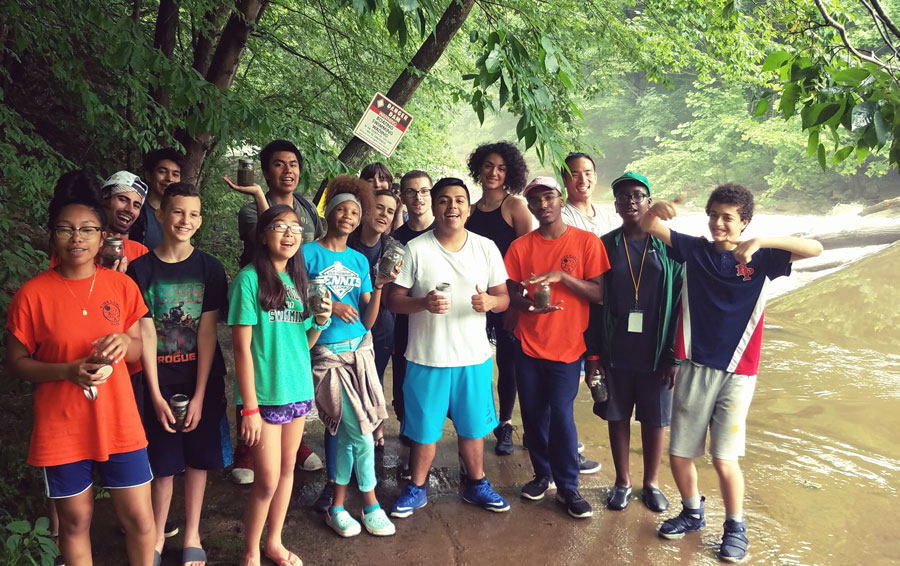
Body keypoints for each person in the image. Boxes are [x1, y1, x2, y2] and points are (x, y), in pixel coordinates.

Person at [645, 183, 822, 562]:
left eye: (728, 217)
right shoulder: (695, 250)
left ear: (744, 222)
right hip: (694, 367)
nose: (718, 223)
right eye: (713, 215)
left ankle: (735, 526)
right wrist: (657, 208)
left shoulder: (764, 260)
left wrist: (762, 241)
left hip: (739, 372)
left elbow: (816, 249)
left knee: (725, 458)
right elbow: (649, 225)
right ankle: (692, 513)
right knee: (679, 454)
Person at [6, 171, 155, 565]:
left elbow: (140, 346)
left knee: (141, 520)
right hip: (61, 424)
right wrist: (66, 371)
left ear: (102, 235)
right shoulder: (32, 294)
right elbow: (17, 362)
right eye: (66, 229)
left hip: (120, 421)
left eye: (87, 229)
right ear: (52, 234)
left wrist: (126, 341)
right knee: (75, 522)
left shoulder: (122, 286)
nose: (77, 238)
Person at [388, 177, 511, 518]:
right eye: (443, 200)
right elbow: (393, 301)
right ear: (434, 206)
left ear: (469, 210)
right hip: (426, 357)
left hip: (473, 357)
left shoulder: (485, 248)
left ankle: (476, 484)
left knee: (473, 428)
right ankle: (416, 487)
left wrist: (490, 301)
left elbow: (504, 298)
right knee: (424, 431)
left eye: (459, 200)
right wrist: (422, 303)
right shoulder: (416, 249)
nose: (451, 207)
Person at [127, 182, 232, 566]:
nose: (185, 220)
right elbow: (147, 332)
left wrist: (201, 394)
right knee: (163, 462)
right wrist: (154, 395)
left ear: (201, 219)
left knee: (198, 459)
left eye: (193, 214)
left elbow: (207, 331)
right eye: (177, 212)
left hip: (200, 379)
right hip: (158, 381)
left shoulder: (210, 268)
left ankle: (192, 533)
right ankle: (156, 538)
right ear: (160, 214)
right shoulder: (140, 270)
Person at [229, 204, 332, 566]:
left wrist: (320, 321)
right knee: (267, 479)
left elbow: (302, 343)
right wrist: (250, 408)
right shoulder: (249, 280)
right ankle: (249, 553)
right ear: (262, 235)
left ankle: (274, 542)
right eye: (279, 226)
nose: (289, 234)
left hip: (298, 390)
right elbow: (241, 348)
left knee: (288, 472)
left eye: (295, 227)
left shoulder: (298, 282)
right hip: (265, 395)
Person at [504, 176, 610, 519]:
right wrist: (528, 306)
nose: (543, 205)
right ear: (530, 206)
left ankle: (569, 487)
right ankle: (542, 474)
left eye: (548, 197)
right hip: (528, 344)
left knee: (562, 416)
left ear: (560, 199)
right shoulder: (521, 247)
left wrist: (561, 277)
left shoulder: (587, 242)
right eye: (535, 201)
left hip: (568, 348)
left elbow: (599, 294)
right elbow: (510, 294)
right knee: (533, 414)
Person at [583, 172, 683, 513]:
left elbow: (685, 303)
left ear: (649, 202)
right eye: (623, 197)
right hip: (616, 347)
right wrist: (593, 353)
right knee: (617, 414)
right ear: (615, 205)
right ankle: (622, 481)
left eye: (638, 195)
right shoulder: (605, 244)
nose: (630, 202)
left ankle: (651, 483)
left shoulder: (671, 247)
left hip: (658, 350)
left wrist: (676, 355)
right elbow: (594, 304)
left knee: (656, 419)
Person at [304, 176, 398, 537]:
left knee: (352, 433)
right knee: (360, 432)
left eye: (354, 212)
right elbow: (299, 302)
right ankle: (371, 503)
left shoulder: (360, 260)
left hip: (361, 350)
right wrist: (332, 303)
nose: (347, 216)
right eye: (341, 209)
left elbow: (368, 321)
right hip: (327, 355)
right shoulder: (308, 253)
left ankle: (338, 506)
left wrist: (377, 289)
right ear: (328, 212)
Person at [227, 140, 325, 483]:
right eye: (280, 164)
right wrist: (257, 195)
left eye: (294, 164)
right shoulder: (252, 211)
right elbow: (263, 241)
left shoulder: (307, 207)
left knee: (287, 363)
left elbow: (314, 246)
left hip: (296, 285)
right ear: (267, 171)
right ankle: (247, 445)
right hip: (265, 288)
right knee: (260, 356)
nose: (289, 170)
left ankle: (292, 446)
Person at [464, 142, 531, 458]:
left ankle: (505, 424)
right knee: (475, 362)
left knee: (508, 362)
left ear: (510, 173)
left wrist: (516, 304)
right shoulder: (470, 210)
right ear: (479, 168)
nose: (494, 172)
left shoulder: (515, 206)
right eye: (489, 165)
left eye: (502, 168)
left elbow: (528, 257)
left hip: (507, 297)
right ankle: (476, 420)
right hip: (475, 298)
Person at [389, 170, 436, 478]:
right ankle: (411, 454)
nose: (418, 197)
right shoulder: (396, 240)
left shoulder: (450, 230)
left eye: (423, 191)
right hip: (407, 325)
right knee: (408, 387)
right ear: (402, 198)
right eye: (410, 192)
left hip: (447, 326)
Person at [348, 188, 401, 448]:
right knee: (348, 380)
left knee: (375, 375)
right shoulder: (345, 242)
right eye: (379, 207)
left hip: (381, 323)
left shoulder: (393, 249)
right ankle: (353, 429)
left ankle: (376, 425)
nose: (384, 215)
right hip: (346, 323)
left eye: (390, 211)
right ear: (366, 208)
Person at [134, 148, 184, 250]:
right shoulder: (135, 211)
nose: (169, 178)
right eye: (162, 171)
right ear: (148, 175)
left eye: (175, 174)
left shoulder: (183, 214)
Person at [560, 152, 617, 236]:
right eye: (575, 175)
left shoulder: (605, 216)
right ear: (564, 181)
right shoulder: (561, 218)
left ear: (595, 177)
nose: (583, 180)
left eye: (587, 174)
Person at [360, 162, 403, 232]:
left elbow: (398, 239)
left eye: (382, 180)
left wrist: (399, 212)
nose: (377, 184)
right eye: (370, 181)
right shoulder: (355, 205)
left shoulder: (397, 209)